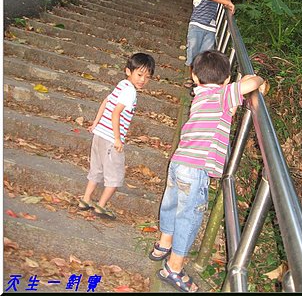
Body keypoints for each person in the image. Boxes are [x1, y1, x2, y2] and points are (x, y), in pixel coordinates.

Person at [149, 49, 267, 293]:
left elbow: (229, 106)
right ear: (225, 81)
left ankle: (163, 244)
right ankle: (174, 267)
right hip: (196, 169)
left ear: (194, 77)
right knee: (188, 216)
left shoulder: (200, 95)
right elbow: (252, 82)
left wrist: (235, 91)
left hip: (179, 162)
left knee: (171, 204)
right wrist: (260, 82)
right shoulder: (223, 94)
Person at [77, 52, 155, 220]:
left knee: (96, 169)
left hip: (100, 135)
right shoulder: (131, 92)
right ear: (129, 71)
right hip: (111, 139)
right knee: (115, 176)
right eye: (139, 74)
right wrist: (118, 139)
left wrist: (96, 123)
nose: (142, 80)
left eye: (147, 77)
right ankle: (101, 206)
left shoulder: (122, 85)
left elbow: (106, 102)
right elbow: (116, 114)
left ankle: (85, 200)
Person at [184, 0, 235, 92]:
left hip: (210, 30)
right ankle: (191, 77)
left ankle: (200, 83)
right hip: (196, 27)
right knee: (193, 52)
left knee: (205, 57)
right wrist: (227, 2)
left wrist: (228, 1)